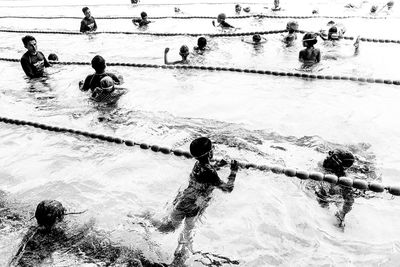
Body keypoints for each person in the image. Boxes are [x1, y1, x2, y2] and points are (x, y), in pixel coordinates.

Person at [140, 137, 239, 261]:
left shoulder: (198, 164)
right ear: (210, 153)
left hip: (186, 200)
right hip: (192, 205)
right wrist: (233, 172)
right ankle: (147, 218)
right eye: (212, 148)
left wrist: (220, 164)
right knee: (177, 229)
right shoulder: (210, 171)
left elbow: (208, 172)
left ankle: (178, 250)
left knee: (176, 228)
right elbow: (227, 188)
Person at [10, 200, 166, 266]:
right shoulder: (56, 234)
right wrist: (92, 221)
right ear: (58, 219)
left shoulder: (34, 230)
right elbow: (79, 235)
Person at [315, 150, 356, 227]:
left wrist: (342, 214)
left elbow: (350, 200)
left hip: (334, 193)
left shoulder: (344, 181)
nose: (327, 158)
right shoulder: (323, 166)